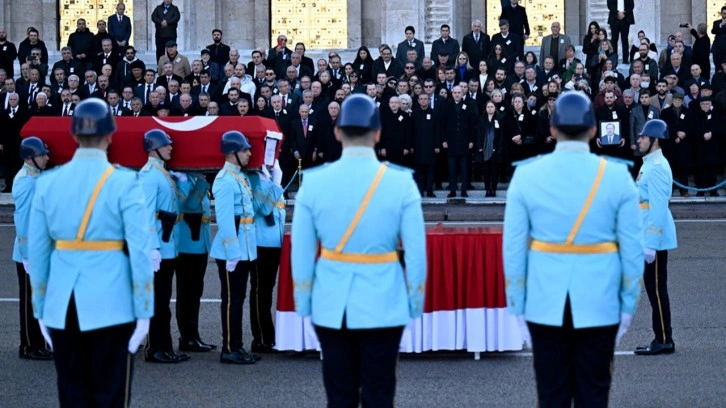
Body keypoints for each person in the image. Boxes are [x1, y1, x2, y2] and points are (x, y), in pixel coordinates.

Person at [503, 91, 643, 407]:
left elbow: (513, 251)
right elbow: (632, 251)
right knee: (594, 394)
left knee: (551, 396)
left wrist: (517, 306)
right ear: (593, 130)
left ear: (552, 130)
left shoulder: (526, 176)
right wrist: (627, 306)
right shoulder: (618, 176)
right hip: (600, 301)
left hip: (543, 301)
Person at [291, 94, 426, 407]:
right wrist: (414, 303)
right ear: (378, 133)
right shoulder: (401, 183)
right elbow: (417, 253)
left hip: (331, 304)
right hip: (384, 302)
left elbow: (302, 253)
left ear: (337, 132)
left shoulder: (313, 183)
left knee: (339, 395)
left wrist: (304, 301)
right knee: (380, 394)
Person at [28, 98, 153, 406]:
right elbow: (140, 251)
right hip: (113, 301)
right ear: (111, 134)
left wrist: (41, 306)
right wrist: (144, 309)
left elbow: (39, 252)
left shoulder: (47, 183)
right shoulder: (126, 182)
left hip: (62, 302)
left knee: (72, 395)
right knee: (111, 395)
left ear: (73, 136)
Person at [139, 129, 190, 363]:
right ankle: (154, 348)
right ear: (153, 148)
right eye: (166, 145)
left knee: (163, 301)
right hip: (158, 248)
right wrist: (151, 248)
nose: (171, 148)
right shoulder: (149, 175)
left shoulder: (162, 173)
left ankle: (165, 346)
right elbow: (146, 215)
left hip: (168, 246)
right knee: (157, 301)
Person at [210, 131, 260, 364]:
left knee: (238, 299)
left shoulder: (239, 177)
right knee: (232, 300)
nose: (249, 153)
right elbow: (225, 220)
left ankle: (237, 346)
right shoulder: (225, 180)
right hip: (233, 252)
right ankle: (229, 348)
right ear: (231, 154)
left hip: (244, 249)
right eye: (244, 150)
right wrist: (232, 252)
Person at [631, 119, 678, 355]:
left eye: (643, 137)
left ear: (654, 140)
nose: (639, 140)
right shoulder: (649, 163)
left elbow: (658, 210)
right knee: (654, 288)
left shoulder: (657, 167)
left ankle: (663, 339)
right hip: (647, 235)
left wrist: (650, 244)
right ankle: (661, 336)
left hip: (655, 240)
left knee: (657, 289)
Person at [13, 137, 52, 361]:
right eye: (42, 154)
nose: (46, 157)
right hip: (31, 254)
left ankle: (39, 343)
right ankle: (29, 345)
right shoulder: (26, 182)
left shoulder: (37, 176)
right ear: (29, 158)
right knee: (30, 300)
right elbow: (24, 220)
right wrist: (28, 255)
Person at [175, 172, 217, 353]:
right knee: (187, 292)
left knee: (195, 291)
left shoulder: (192, 178)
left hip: (200, 243)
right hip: (187, 245)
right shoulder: (180, 180)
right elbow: (189, 206)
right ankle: (187, 337)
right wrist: (201, 184)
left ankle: (194, 335)